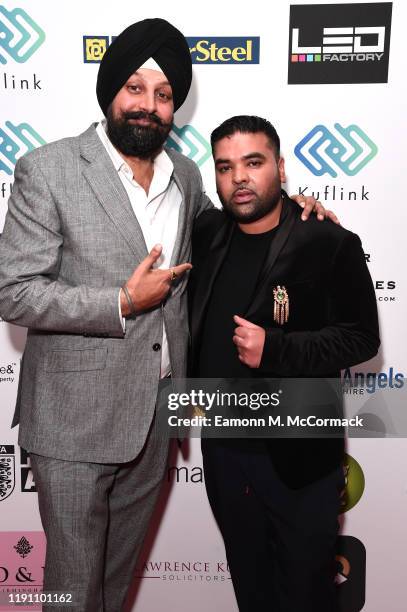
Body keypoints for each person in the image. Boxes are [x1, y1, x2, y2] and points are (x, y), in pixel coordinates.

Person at [0, 18, 332, 612]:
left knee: (114, 581)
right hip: (72, 423)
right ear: (109, 93)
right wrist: (121, 303)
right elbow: (13, 291)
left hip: (157, 418)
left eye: (163, 94)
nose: (148, 106)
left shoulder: (185, 175)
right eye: (135, 87)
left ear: (174, 106)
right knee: (69, 588)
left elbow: (232, 225)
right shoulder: (47, 169)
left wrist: (290, 203)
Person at [188, 115, 380, 612]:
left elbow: (361, 339)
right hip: (226, 456)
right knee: (250, 590)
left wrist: (276, 349)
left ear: (281, 167)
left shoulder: (329, 242)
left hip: (300, 459)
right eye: (226, 167)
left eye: (254, 163)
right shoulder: (206, 234)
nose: (240, 178)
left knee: (305, 594)